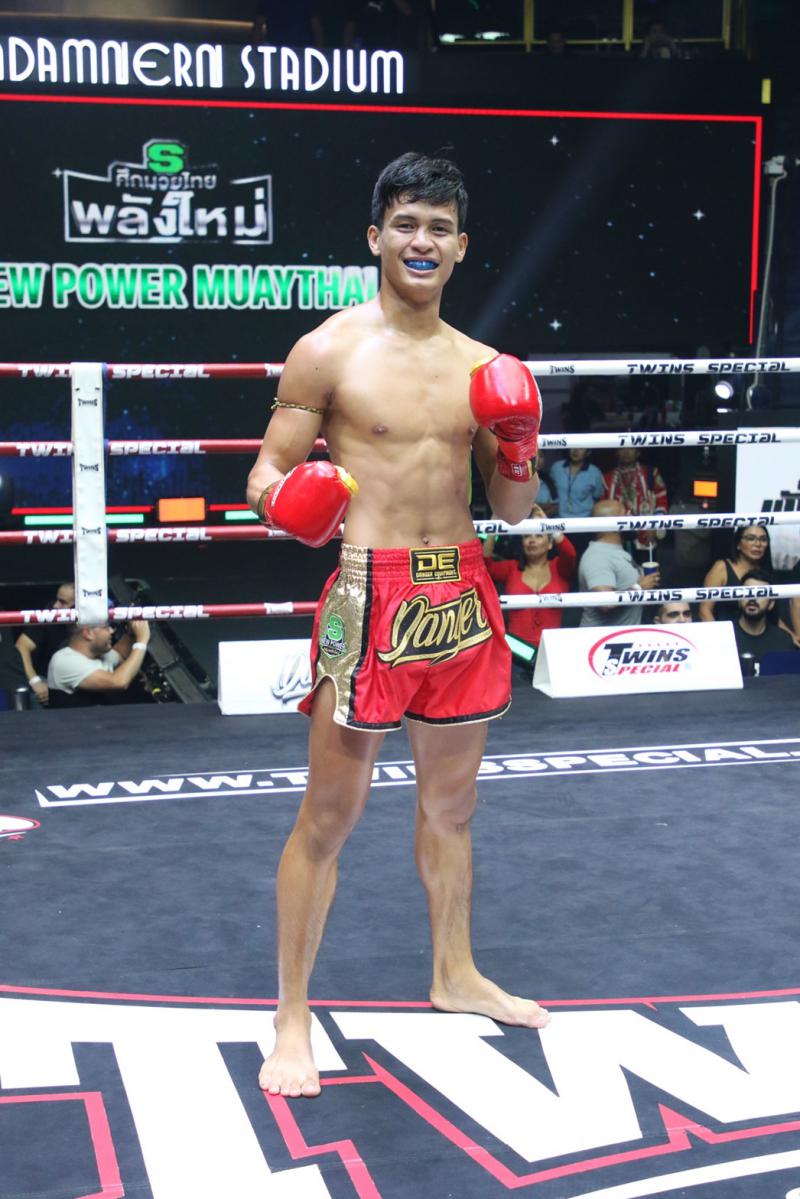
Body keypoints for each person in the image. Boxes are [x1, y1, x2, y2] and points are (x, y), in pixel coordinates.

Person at [246, 151, 549, 1099]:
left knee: (453, 806)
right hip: (369, 593)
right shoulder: (327, 351)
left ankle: (455, 971)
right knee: (329, 815)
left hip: (459, 592)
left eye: (439, 228)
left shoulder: (484, 367)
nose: (423, 241)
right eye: (407, 224)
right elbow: (264, 474)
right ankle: (292, 1015)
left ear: (462, 246)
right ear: (376, 236)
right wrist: (288, 502)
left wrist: (519, 446)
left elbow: (513, 510)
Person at [482, 503, 576, 649]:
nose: (532, 540)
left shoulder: (559, 568)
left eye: (539, 535)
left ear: (550, 544)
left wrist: (548, 524)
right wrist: (494, 525)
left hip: (552, 647)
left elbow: (570, 554)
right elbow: (484, 566)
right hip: (517, 649)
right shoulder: (511, 568)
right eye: (527, 536)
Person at [578, 499, 662, 626]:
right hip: (602, 637)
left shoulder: (616, 550)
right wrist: (639, 587)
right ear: (613, 525)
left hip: (623, 634)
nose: (632, 519)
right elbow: (605, 602)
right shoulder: (597, 556)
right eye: (626, 515)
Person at [47, 620, 151, 707]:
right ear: (88, 633)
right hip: (73, 724)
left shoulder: (100, 654)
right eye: (106, 627)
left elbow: (120, 655)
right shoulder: (65, 660)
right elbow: (119, 682)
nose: (112, 631)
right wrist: (142, 640)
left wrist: (131, 633)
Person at [14, 581, 75, 707]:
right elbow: (22, 646)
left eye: (63, 602)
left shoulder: (95, 625)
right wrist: (35, 681)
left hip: (79, 678)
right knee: (36, 696)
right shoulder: (49, 615)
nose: (56, 606)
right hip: (47, 678)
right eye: (57, 600)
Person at [602, 447, 668, 562]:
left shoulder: (650, 473)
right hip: (617, 537)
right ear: (617, 452)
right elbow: (603, 509)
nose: (626, 452)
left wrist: (655, 527)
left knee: (648, 571)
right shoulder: (607, 478)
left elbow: (661, 501)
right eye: (622, 449)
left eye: (631, 449)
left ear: (638, 452)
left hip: (645, 535)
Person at [698, 524, 774, 623]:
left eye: (763, 539)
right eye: (751, 538)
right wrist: (719, 633)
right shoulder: (721, 568)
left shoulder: (767, 571)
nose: (758, 544)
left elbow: (774, 614)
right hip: (725, 629)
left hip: (758, 630)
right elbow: (705, 611)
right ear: (738, 544)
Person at [549, 447, 604, 558]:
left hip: (584, 526)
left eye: (581, 448)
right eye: (573, 447)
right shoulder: (556, 468)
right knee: (558, 560)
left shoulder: (594, 472)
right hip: (559, 524)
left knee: (581, 560)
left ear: (588, 452)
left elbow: (598, 497)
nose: (576, 451)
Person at [733, 571, 796, 661]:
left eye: (760, 593)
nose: (753, 598)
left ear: (771, 603)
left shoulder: (783, 641)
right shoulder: (724, 637)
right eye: (748, 592)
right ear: (739, 600)